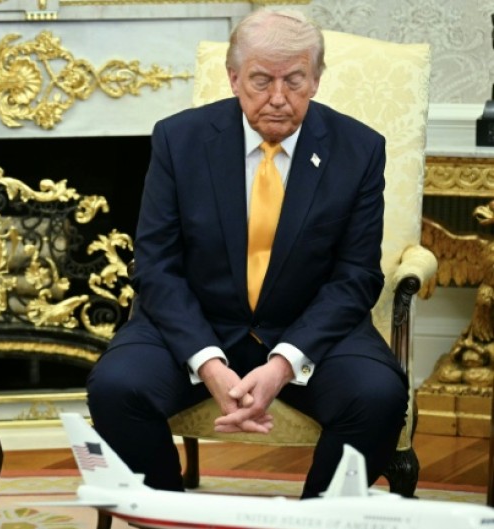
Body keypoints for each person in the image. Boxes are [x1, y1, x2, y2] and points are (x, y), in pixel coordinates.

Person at [86, 9, 408, 499]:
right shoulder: (180, 140)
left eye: (295, 81)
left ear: (316, 80)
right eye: (261, 80)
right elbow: (156, 266)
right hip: (200, 322)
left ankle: (314, 520)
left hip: (307, 327)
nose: (278, 98)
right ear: (234, 78)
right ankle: (169, 513)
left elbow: (356, 276)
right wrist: (209, 364)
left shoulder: (359, 149)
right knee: (115, 388)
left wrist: (283, 364)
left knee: (378, 396)